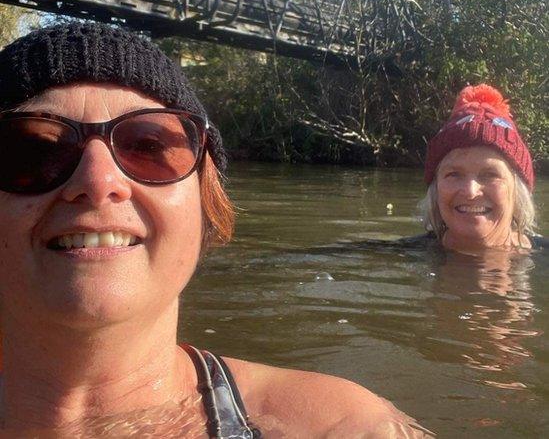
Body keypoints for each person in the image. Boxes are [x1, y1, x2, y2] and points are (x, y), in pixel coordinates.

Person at [0, 22, 432, 437]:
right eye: (32, 151)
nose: (98, 183)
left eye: (149, 146)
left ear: (206, 206)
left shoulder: (342, 427)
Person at [420, 83, 546, 253]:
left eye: (490, 175)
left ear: (518, 191)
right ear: (435, 190)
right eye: (454, 174)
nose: (471, 191)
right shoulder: (394, 256)